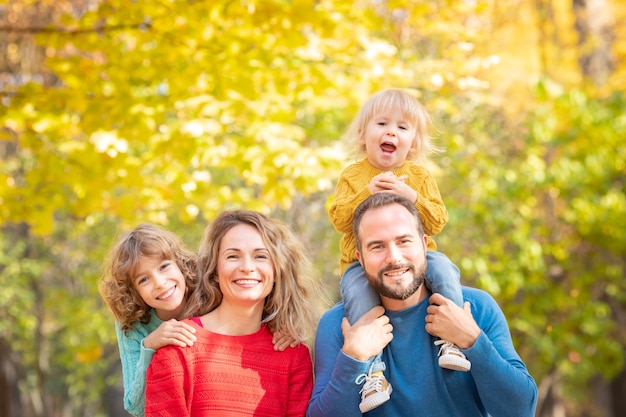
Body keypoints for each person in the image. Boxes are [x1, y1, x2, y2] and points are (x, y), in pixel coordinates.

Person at [307, 193, 538, 417]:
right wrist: (353, 357)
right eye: (377, 247)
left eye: (404, 241)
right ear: (360, 258)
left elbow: (521, 410)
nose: (394, 257)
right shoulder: (340, 325)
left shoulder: (475, 307)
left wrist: (473, 341)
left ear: (425, 245)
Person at [328, 88, 467, 412]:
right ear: (363, 135)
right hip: (361, 265)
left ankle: (452, 338)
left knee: (445, 269)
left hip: (419, 259)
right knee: (358, 296)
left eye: (403, 128)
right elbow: (338, 218)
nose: (392, 131)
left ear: (413, 143)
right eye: (382, 124)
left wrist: (412, 196)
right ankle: (374, 372)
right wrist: (366, 191)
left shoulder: (418, 176)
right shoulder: (353, 175)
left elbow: (438, 220)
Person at [99, 223, 297, 417]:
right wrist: (150, 346)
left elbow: (247, 302)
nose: (160, 283)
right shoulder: (133, 325)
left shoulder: (208, 293)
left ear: (180, 264)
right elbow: (136, 407)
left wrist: (277, 327)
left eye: (164, 266)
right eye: (144, 279)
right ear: (134, 292)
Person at [145, 210, 317, 417]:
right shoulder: (180, 347)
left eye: (261, 256)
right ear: (215, 270)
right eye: (233, 256)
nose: (247, 267)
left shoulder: (293, 355)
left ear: (277, 271)